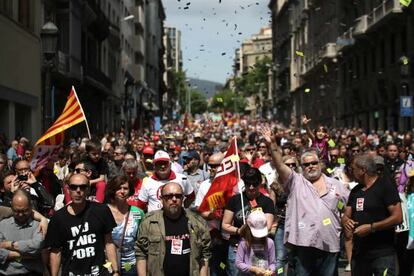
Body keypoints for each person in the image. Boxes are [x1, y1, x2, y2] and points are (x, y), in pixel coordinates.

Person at [261, 127, 348, 276]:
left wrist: (346, 218)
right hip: (303, 245)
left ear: (320, 163)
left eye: (314, 163)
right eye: (306, 165)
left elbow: (347, 207)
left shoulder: (336, 184)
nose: (311, 166)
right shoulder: (295, 182)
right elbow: (280, 165)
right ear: (302, 167)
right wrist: (272, 144)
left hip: (330, 244)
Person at [45, 173, 120, 276]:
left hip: (98, 272)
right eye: (73, 187)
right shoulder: (58, 218)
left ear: (88, 189)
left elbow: (109, 242)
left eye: (83, 187)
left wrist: (115, 271)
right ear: (68, 189)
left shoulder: (101, 211)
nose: (78, 191)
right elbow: (55, 252)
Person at [342, 154, 402, 275]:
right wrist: (346, 221)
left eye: (353, 169)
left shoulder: (385, 186)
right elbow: (346, 215)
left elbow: (397, 217)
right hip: (359, 253)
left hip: (382, 253)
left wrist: (371, 228)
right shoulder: (355, 191)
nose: (350, 172)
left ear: (363, 170)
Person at [135, 182, 211, 276]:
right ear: (161, 199)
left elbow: (205, 255)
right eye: (169, 196)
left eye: (178, 196)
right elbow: (141, 254)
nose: (174, 199)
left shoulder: (197, 222)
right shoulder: (149, 222)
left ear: (183, 198)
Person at [222, 167, 274, 276]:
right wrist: (238, 230)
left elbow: (268, 227)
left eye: (254, 184)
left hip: (259, 247)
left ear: (260, 183)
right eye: (248, 184)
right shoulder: (234, 200)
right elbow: (225, 225)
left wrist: (251, 232)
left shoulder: (267, 202)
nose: (251, 187)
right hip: (236, 245)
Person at [106, 175, 144, 275]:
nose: (122, 191)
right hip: (107, 265)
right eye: (118, 188)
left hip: (130, 264)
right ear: (112, 190)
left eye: (125, 188)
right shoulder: (103, 212)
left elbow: (142, 241)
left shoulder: (138, 213)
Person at [0, 189, 44, 275]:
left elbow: (36, 246)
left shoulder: (38, 225)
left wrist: (9, 245)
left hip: (31, 272)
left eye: (24, 211)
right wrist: (23, 254)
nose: (20, 214)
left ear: (31, 207)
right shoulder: (2, 225)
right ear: (11, 207)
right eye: (17, 211)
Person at [235, 210, 276, 276]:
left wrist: (270, 270)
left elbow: (273, 263)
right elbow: (238, 263)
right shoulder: (244, 243)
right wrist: (253, 269)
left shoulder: (270, 242)